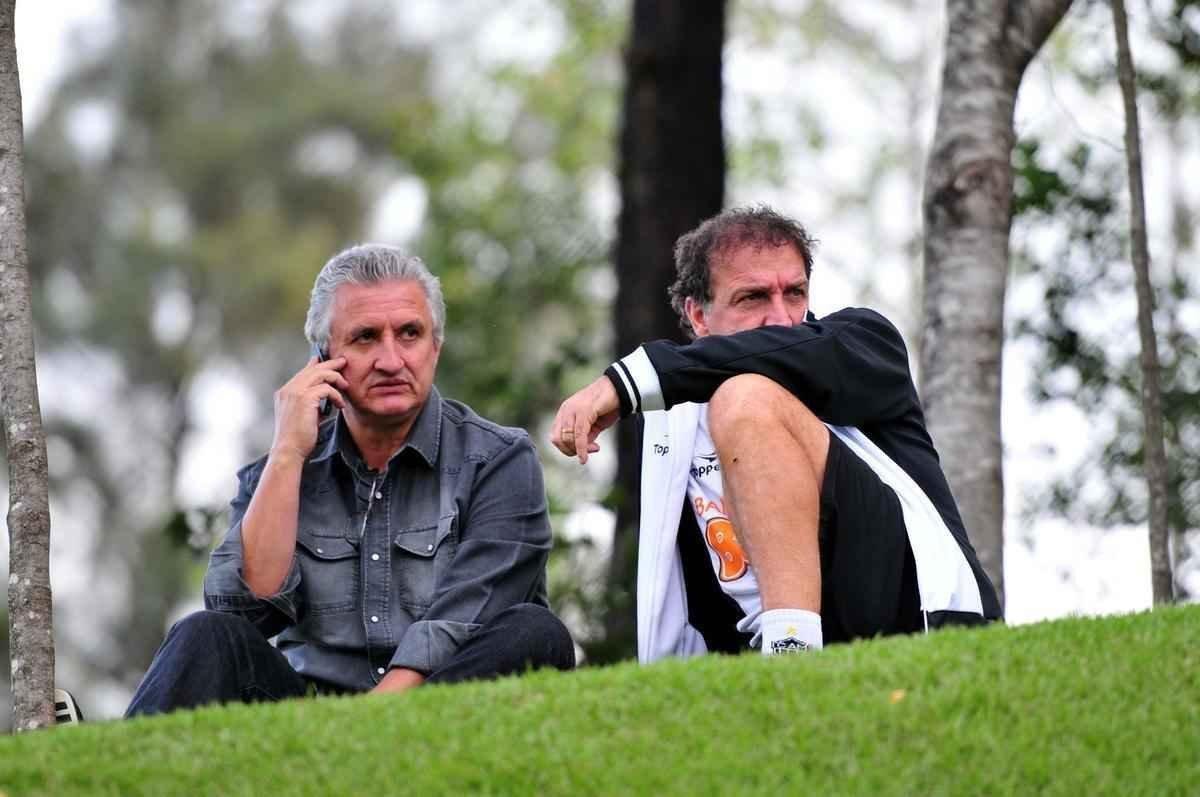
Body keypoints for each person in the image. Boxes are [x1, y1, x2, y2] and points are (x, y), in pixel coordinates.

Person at [128, 244, 574, 716]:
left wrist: (360, 731)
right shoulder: (282, 470)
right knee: (204, 633)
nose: (390, 359)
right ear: (322, 358)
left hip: (444, 715)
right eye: (365, 338)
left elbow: (461, 621)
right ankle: (103, 773)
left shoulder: (499, 460)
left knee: (535, 633)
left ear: (435, 348)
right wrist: (286, 454)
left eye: (409, 334)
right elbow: (240, 615)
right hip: (308, 718)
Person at [551, 205, 1001, 663]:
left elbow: (785, 353)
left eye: (795, 293)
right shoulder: (674, 430)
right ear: (699, 315)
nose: (782, 318)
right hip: (763, 652)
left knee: (744, 398)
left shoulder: (862, 343)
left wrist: (627, 381)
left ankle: (792, 652)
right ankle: (782, 657)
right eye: (754, 298)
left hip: (914, 617)